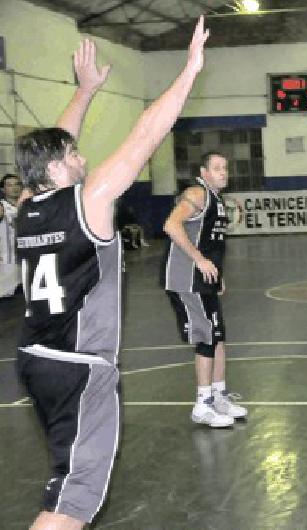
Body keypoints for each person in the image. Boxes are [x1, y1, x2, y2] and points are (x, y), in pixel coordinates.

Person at [14, 20, 208, 530]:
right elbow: (146, 131)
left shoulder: (28, 205)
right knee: (71, 503)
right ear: (58, 170)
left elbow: (51, 150)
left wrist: (83, 93)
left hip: (36, 356)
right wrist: (189, 72)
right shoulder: (91, 201)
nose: (81, 156)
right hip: (81, 369)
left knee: (67, 482)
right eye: (73, 154)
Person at [162, 151, 246, 428]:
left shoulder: (215, 198)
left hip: (204, 279)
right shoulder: (197, 194)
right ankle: (203, 404)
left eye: (226, 168)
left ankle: (220, 395)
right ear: (204, 172)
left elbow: (210, 241)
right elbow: (171, 225)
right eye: (218, 168)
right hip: (186, 279)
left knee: (219, 337)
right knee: (207, 339)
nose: (224, 172)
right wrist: (199, 260)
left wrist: (216, 275)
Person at [0, 173, 22, 297]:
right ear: (3, 189)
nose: (14, 188)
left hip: (24, 264)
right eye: (9, 185)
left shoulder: (26, 206)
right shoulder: (2, 207)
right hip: (6, 265)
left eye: (17, 184)